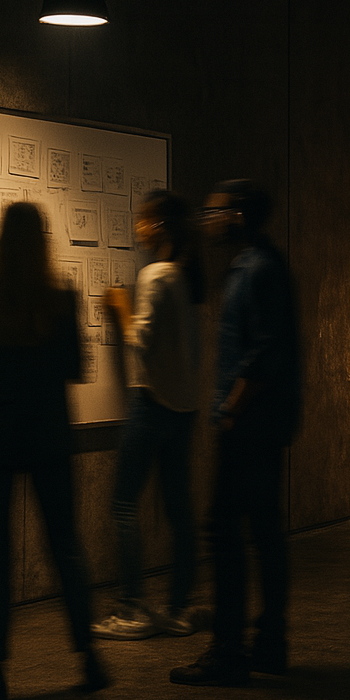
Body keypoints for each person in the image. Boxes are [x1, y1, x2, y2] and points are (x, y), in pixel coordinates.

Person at [0, 201, 107, 700]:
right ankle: (89, 656)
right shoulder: (61, 298)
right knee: (66, 546)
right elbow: (77, 367)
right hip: (49, 436)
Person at [171, 179, 301, 686]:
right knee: (263, 532)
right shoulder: (257, 264)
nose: (207, 220)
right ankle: (270, 644)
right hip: (263, 421)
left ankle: (228, 651)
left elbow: (265, 352)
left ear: (239, 215)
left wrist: (230, 408)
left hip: (250, 423)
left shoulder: (257, 269)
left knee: (224, 533)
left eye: (215, 211)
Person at [92, 189, 204, 640]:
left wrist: (120, 309)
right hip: (184, 409)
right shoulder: (187, 278)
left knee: (123, 504)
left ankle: (132, 608)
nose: (137, 226)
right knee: (179, 510)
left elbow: (141, 340)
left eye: (143, 219)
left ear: (159, 225)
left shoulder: (156, 274)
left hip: (151, 403)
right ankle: (179, 608)